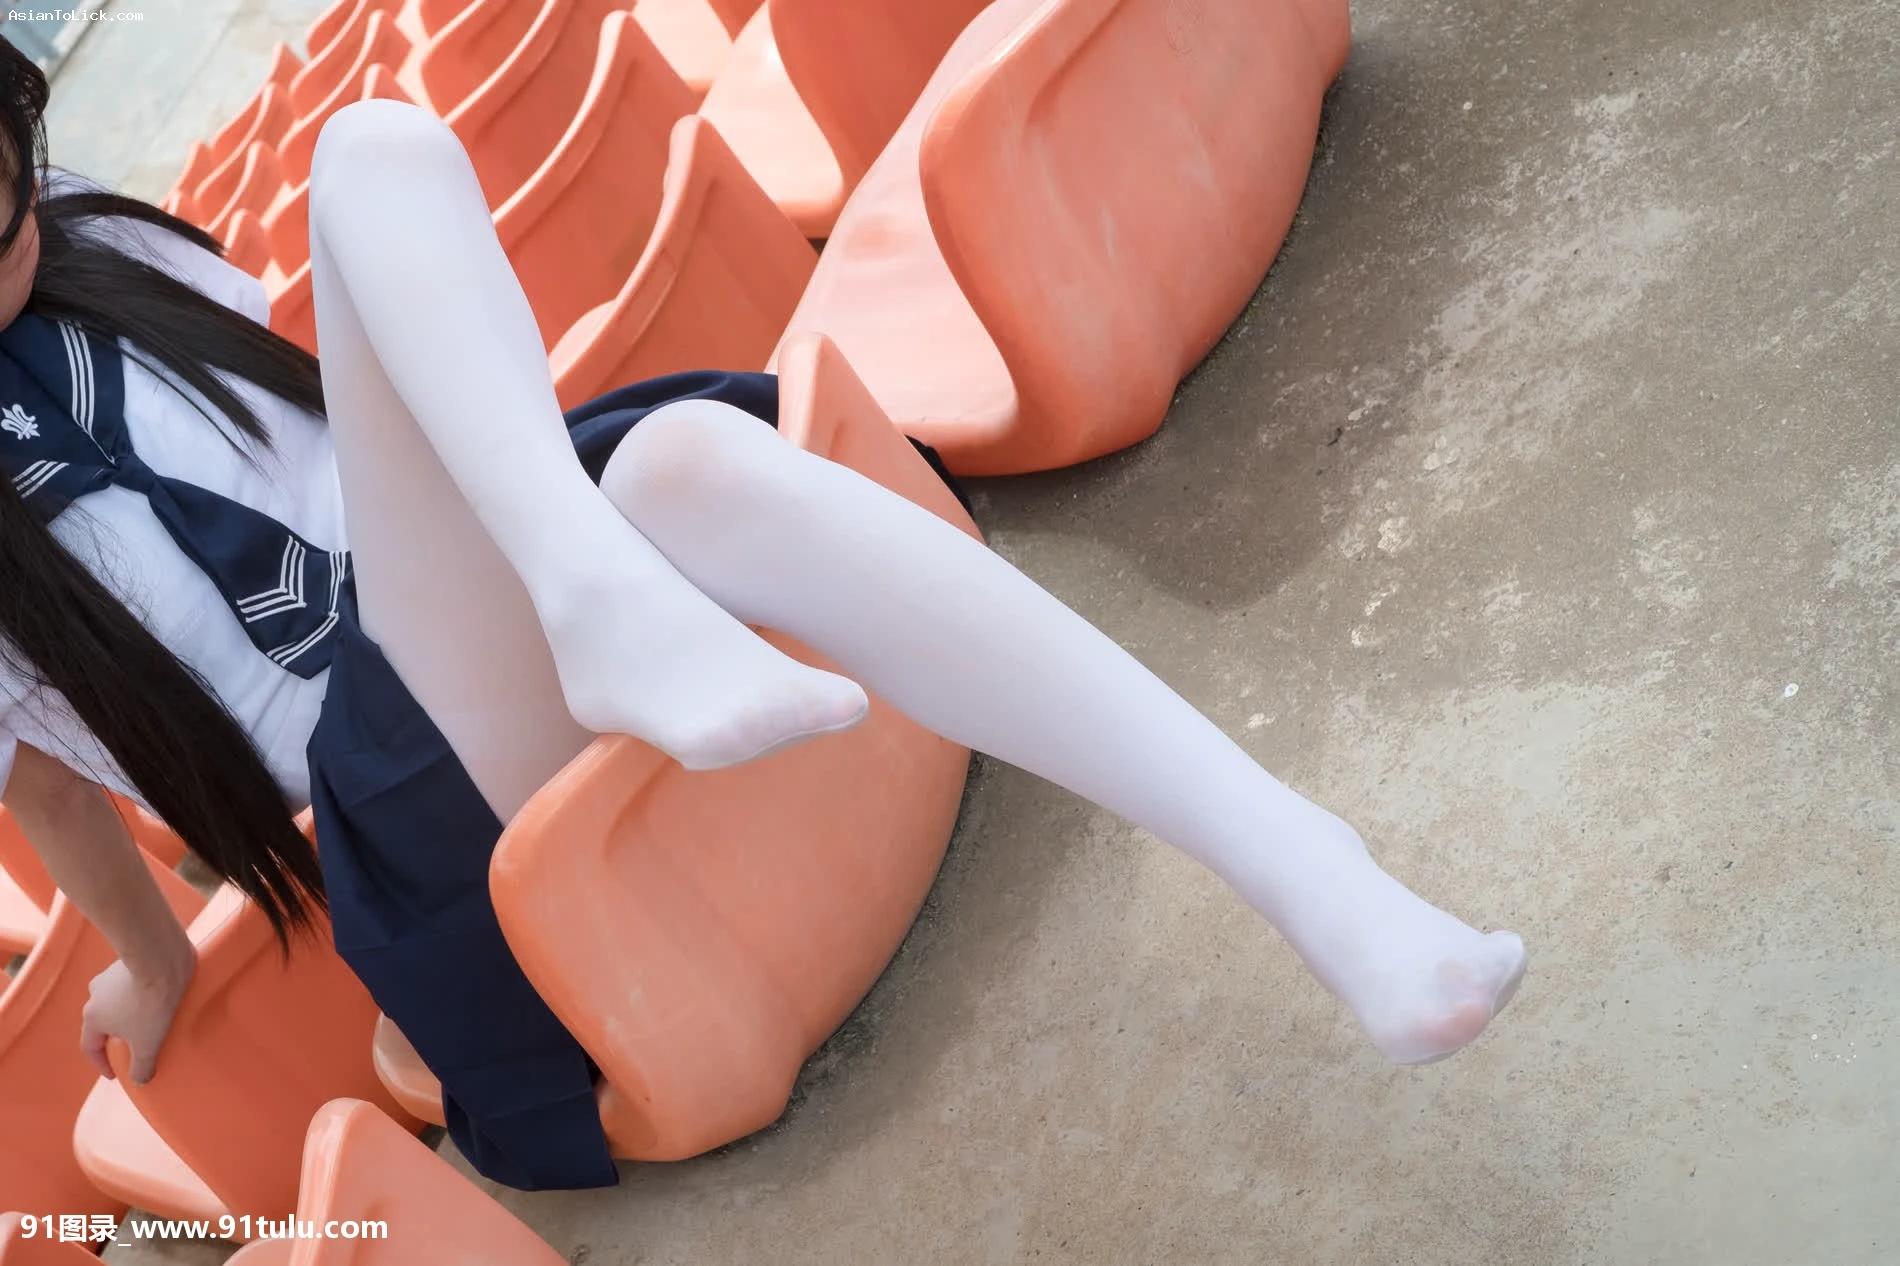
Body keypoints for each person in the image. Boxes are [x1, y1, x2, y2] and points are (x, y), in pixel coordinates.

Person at [0, 43, 1526, 1191]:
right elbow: (57, 791)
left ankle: (1303, 862)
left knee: (654, 426)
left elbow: (350, 432)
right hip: (405, 792)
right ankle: (593, 590)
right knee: (390, 181)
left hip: (499, 563)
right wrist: (151, 957)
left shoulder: (88, 240)